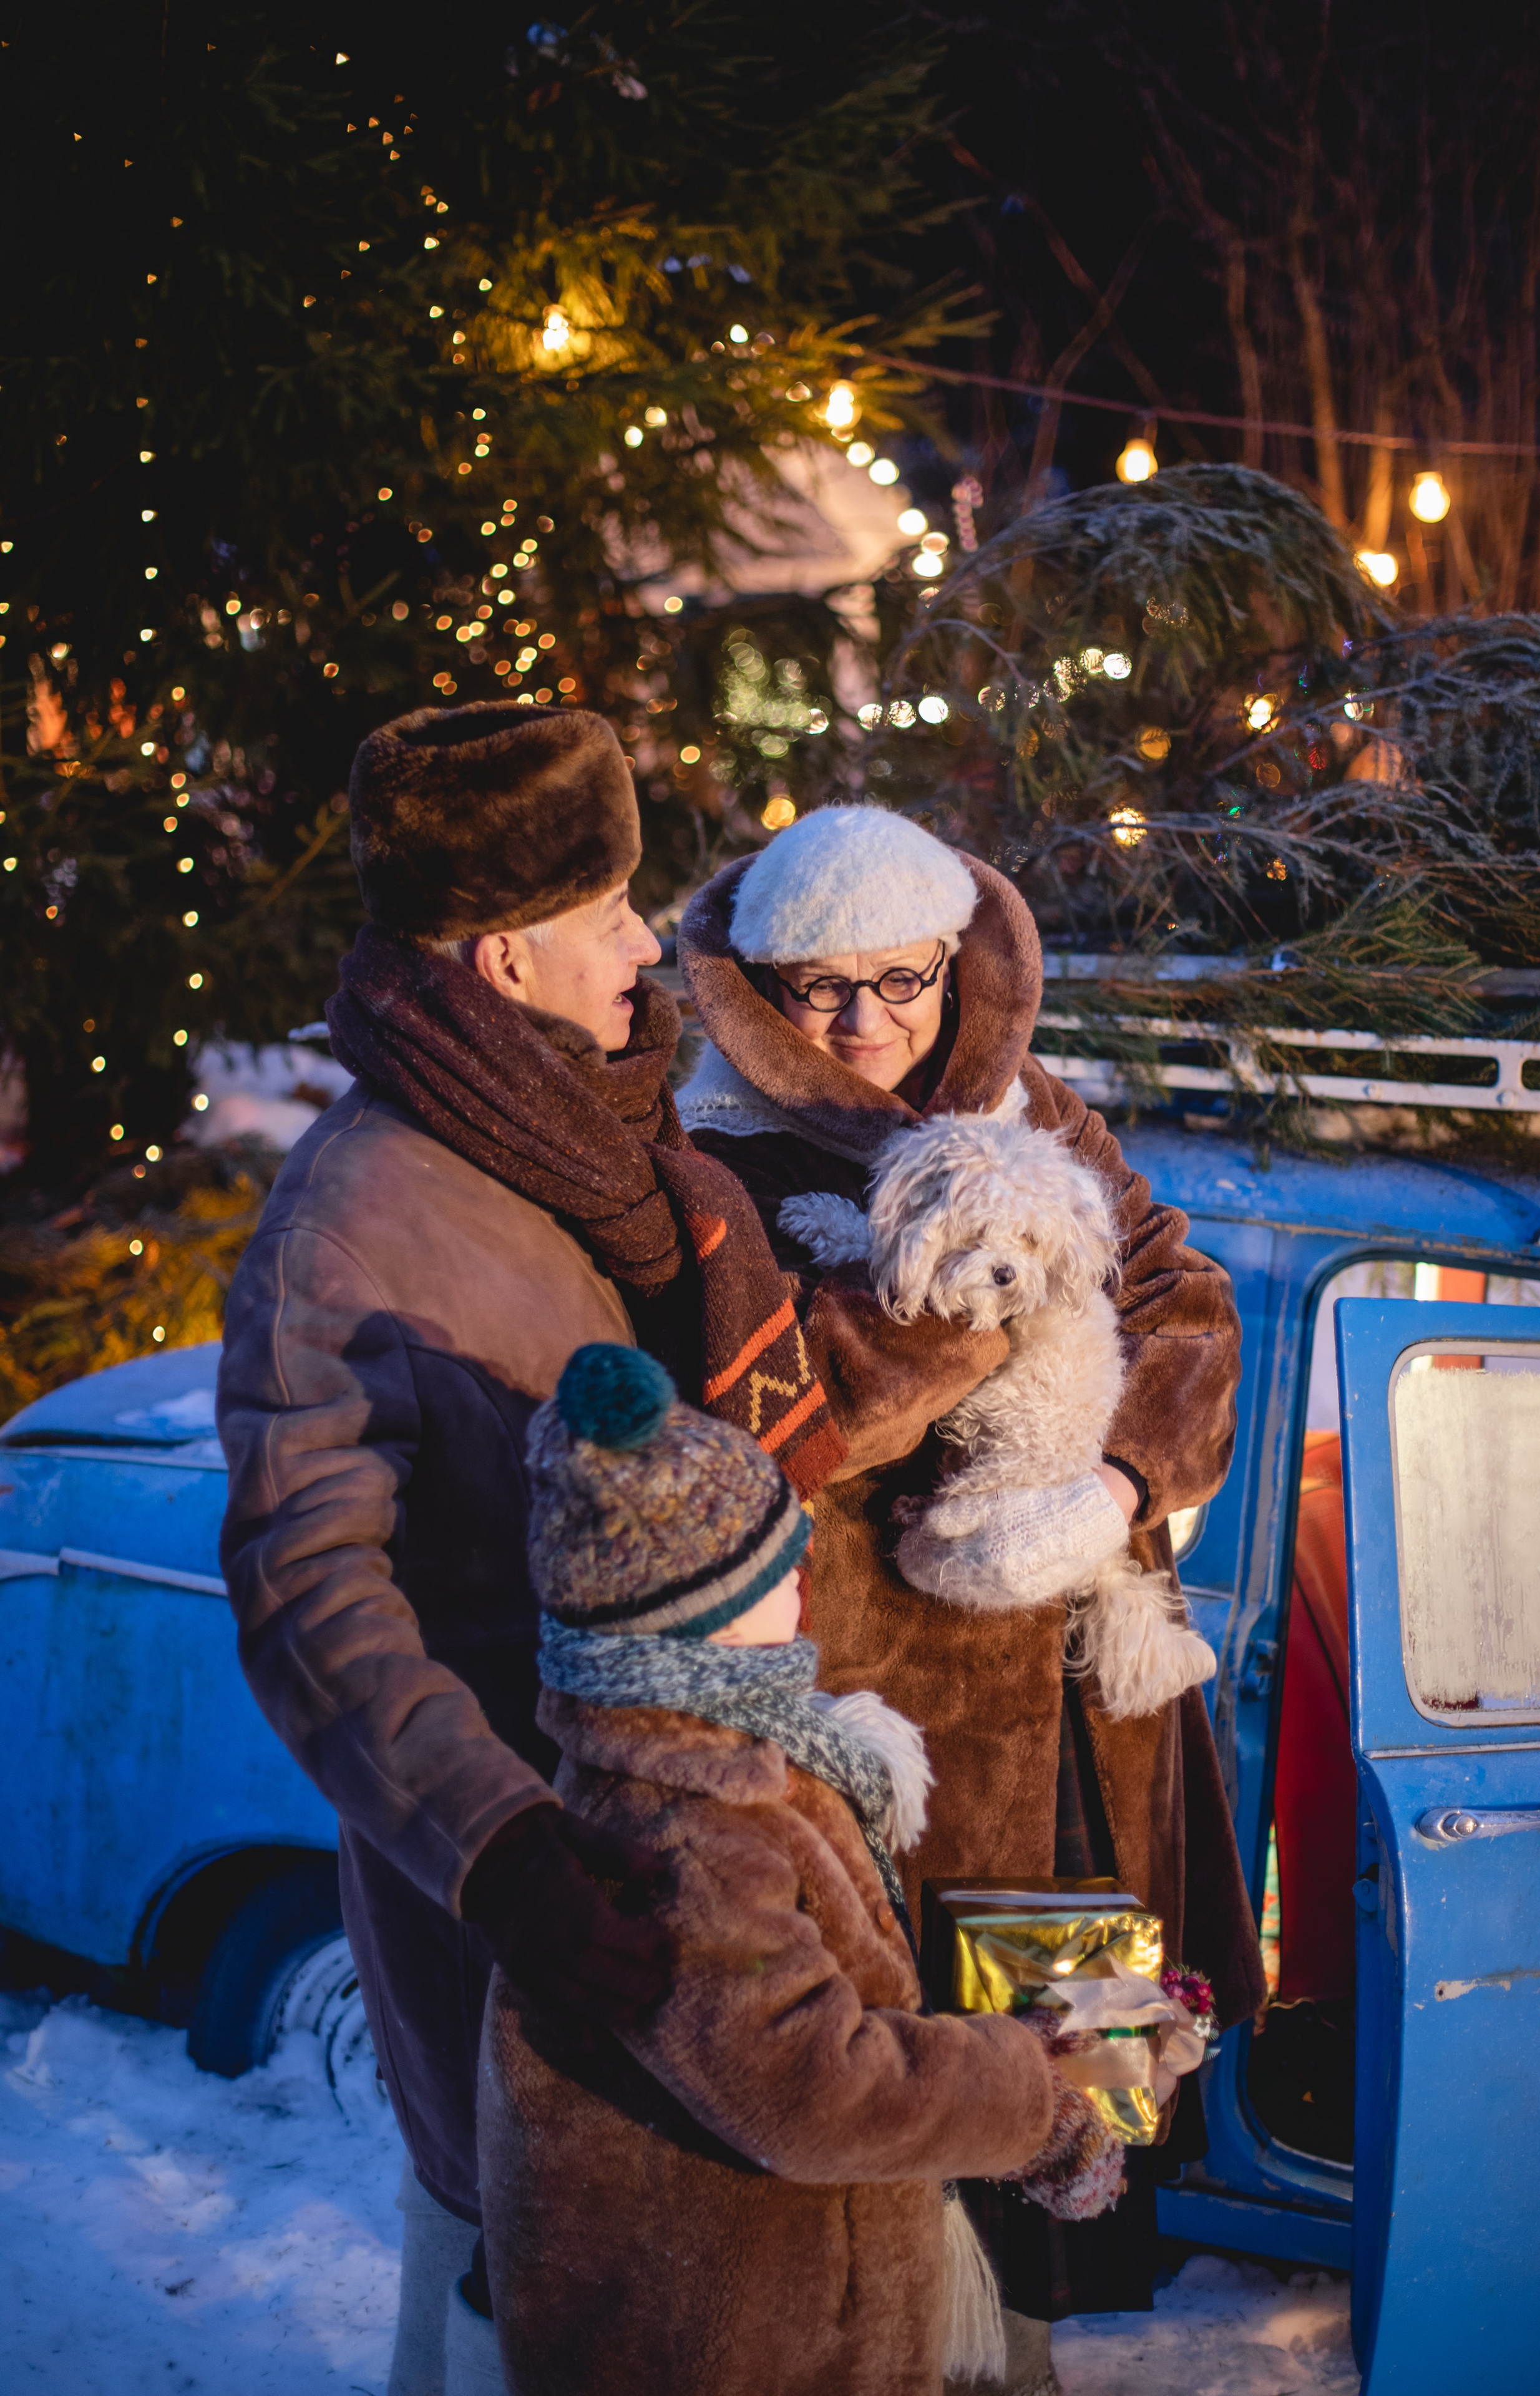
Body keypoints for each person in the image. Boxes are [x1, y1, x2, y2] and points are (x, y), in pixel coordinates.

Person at [215, 710, 991, 2394]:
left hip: (746, 1879)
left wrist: (964, 1329)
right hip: (554, 1927)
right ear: (508, 955)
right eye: (616, 909)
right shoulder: (352, 1224)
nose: (652, 942)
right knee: (536, 2323)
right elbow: (306, 1600)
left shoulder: (631, 1156)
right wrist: (505, 1860)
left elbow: (741, 1438)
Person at [675, 804, 1265, 2384]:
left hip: (1080, 1701)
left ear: (953, 963)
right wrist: (986, 1290)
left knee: (1078, 2085)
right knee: (904, 2100)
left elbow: (1181, 1298)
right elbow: (782, 1418)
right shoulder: (711, 1152)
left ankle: (1033, 2349)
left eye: (901, 978)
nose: (866, 1023)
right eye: (817, 989)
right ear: (759, 988)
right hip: (888, 1707)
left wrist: (1124, 1482)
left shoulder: (1043, 1106)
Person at [480, 1341, 1196, 2396]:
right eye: (778, 1570)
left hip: (782, 2308)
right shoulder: (685, 1836)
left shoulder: (731, 1756)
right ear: (704, 1615)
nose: (802, 1581)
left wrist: (1058, 2031)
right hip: (737, 2343)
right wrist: (1034, 2092)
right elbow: (811, 2089)